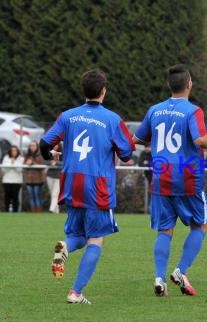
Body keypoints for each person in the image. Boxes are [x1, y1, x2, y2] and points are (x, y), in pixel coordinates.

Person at [133, 64, 207, 297]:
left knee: (164, 231)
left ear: (169, 85)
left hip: (161, 176)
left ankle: (159, 278)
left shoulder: (154, 110)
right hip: (187, 177)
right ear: (189, 84)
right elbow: (200, 140)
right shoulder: (192, 111)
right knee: (200, 225)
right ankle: (181, 270)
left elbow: (136, 138)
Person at [40, 69, 135, 304]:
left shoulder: (68, 116)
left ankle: (65, 247)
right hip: (98, 185)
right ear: (103, 91)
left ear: (84, 91)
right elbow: (126, 153)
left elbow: (43, 143)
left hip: (72, 181)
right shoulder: (112, 119)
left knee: (78, 235)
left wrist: (51, 154)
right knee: (96, 239)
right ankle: (76, 292)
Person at [23, 140, 45, 212]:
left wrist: (33, 163)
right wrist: (26, 163)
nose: (32, 147)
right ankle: (33, 212)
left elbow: (42, 167)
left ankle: (39, 212)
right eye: (31, 146)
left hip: (38, 180)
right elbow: (23, 166)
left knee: (37, 196)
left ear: (37, 146)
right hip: (29, 180)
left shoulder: (40, 155)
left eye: (34, 145)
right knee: (31, 197)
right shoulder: (27, 155)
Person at [2, 145, 24, 212]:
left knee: (15, 196)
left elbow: (20, 169)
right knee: (7, 196)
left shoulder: (21, 158)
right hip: (7, 180)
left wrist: (14, 163)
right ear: (10, 151)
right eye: (12, 150)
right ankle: (6, 210)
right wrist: (11, 163)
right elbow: (4, 169)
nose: (14, 152)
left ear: (17, 151)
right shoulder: (6, 158)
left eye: (15, 150)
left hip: (17, 181)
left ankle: (15, 211)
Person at [45, 145, 62, 214]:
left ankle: (51, 210)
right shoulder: (48, 153)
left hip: (59, 176)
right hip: (50, 175)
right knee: (53, 194)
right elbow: (45, 162)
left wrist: (56, 163)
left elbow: (65, 162)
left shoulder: (62, 153)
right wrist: (50, 163)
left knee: (55, 194)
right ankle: (56, 211)